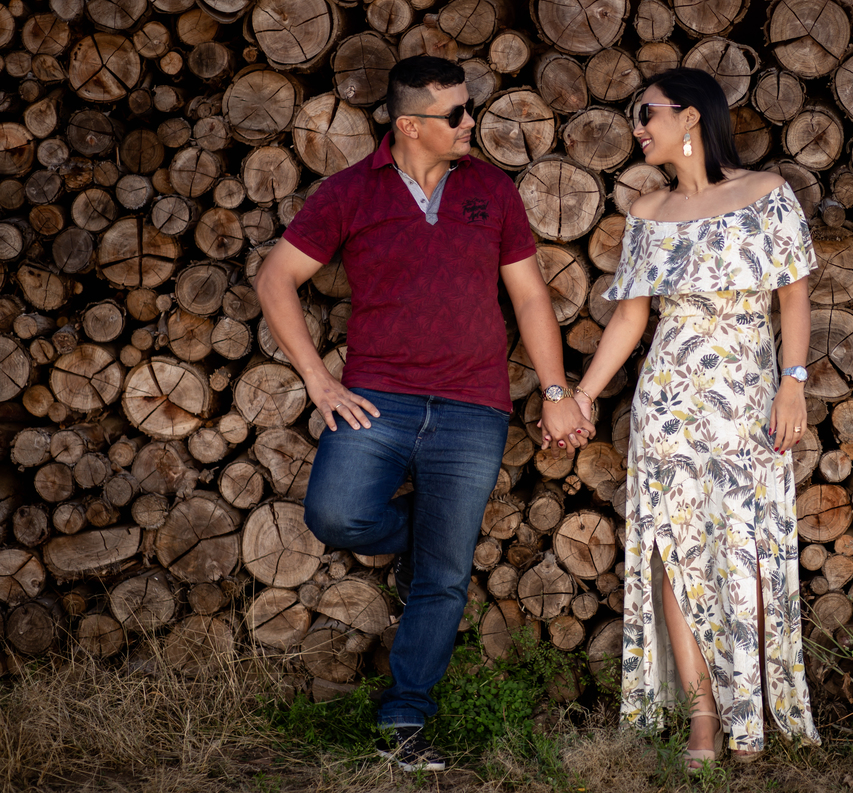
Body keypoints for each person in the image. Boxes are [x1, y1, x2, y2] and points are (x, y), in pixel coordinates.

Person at [255, 55, 595, 772]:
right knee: (336, 515)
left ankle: (406, 715)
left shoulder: (491, 190)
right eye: (456, 114)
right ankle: (426, 536)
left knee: (443, 576)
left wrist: (556, 390)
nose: (471, 122)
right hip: (378, 399)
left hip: (473, 407)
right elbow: (276, 277)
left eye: (469, 108)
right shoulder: (350, 192)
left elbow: (530, 295)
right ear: (409, 125)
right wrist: (319, 381)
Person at [571, 68, 821, 768]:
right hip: (668, 407)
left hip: (746, 401)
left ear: (690, 116)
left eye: (646, 113)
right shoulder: (647, 211)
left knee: (745, 551)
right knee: (674, 555)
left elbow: (794, 298)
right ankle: (703, 717)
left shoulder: (767, 193)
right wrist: (584, 395)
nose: (637, 128)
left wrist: (793, 384)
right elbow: (631, 319)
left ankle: (748, 712)